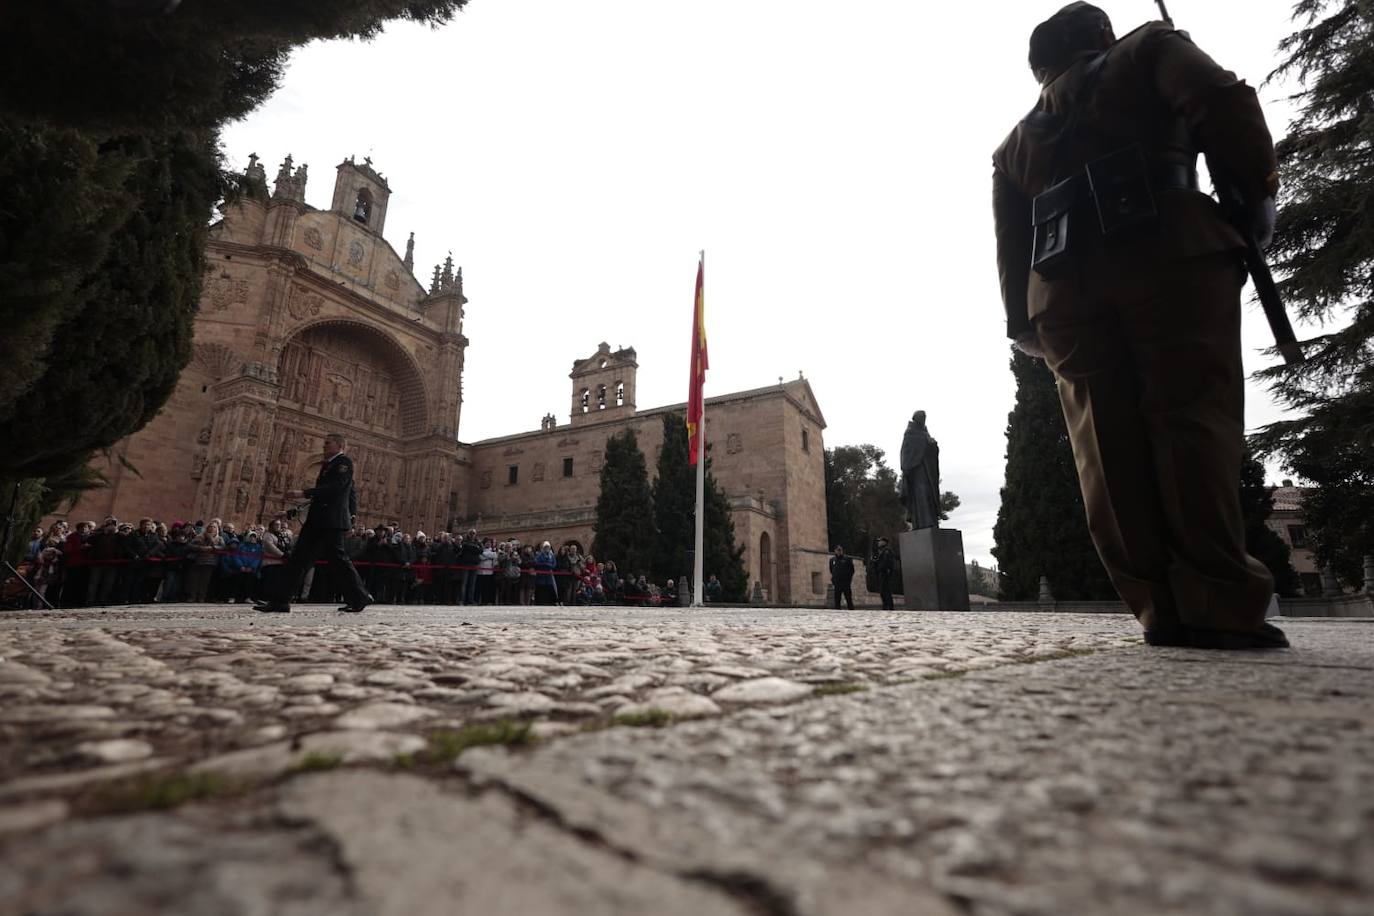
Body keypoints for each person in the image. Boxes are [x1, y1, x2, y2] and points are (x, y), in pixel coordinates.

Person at [991, 3, 1286, 649]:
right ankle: (1219, 600)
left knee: (1104, 449)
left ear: (1041, 68)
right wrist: (1253, 200)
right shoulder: (1149, 47)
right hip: (1168, 254)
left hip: (1063, 293)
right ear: (1102, 35)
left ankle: (1158, 607)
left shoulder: (1014, 143)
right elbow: (1224, 101)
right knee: (1190, 421)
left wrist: (1023, 323)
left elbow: (1012, 247)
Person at [254, 432, 373, 614]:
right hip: (318, 522)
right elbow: (319, 498)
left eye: (328, 443)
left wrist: (304, 492)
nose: (324, 446)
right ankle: (280, 601)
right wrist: (290, 512)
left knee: (338, 561)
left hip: (330, 522)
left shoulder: (344, 463)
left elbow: (335, 489)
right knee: (298, 560)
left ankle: (360, 597)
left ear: (339, 445)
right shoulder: (329, 465)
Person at [871, 536, 897, 611]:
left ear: (884, 542)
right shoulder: (882, 551)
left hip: (885, 573)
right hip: (883, 573)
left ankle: (888, 607)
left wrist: (879, 568)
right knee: (884, 591)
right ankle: (887, 607)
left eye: (880, 541)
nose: (878, 542)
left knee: (885, 591)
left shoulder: (887, 551)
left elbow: (886, 563)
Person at [829, 545, 855, 610]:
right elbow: (831, 570)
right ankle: (837, 611)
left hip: (845, 582)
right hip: (837, 583)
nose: (839, 551)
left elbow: (852, 570)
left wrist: (848, 579)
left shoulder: (847, 559)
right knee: (837, 599)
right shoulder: (832, 560)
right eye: (838, 550)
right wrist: (834, 579)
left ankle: (851, 610)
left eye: (840, 550)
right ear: (835, 551)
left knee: (848, 598)